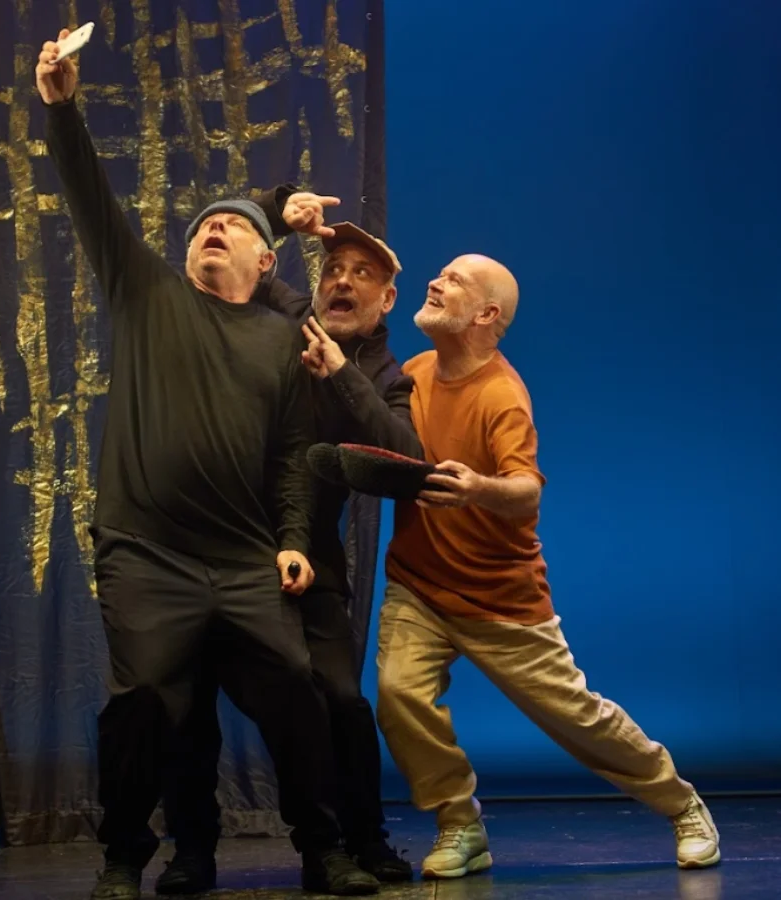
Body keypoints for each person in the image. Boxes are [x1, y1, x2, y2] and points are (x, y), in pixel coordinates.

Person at [36, 31, 379, 900]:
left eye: (232, 225)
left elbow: (292, 459)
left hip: (244, 561)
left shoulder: (282, 338)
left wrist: (292, 538)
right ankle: (124, 858)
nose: (212, 230)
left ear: (266, 261)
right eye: (201, 228)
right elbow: (89, 198)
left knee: (298, 688)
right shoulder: (148, 296)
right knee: (149, 700)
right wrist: (63, 108)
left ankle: (325, 851)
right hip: (148, 556)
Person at [374, 253, 721, 879]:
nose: (435, 282)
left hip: (499, 599)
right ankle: (460, 825)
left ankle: (681, 804)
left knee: (576, 718)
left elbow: (527, 491)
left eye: (453, 281)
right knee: (399, 695)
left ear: (486, 314)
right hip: (418, 587)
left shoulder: (501, 395)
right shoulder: (416, 372)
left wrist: (478, 488)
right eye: (441, 273)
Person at [160, 218, 422, 894]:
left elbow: (407, 461)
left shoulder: (389, 378)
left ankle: (362, 839)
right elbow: (235, 245)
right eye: (334, 268)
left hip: (313, 563)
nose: (342, 281)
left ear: (387, 299)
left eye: (362, 274)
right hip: (223, 552)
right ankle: (192, 850)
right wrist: (280, 209)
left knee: (340, 698)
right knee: (187, 700)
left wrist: (340, 376)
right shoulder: (290, 315)